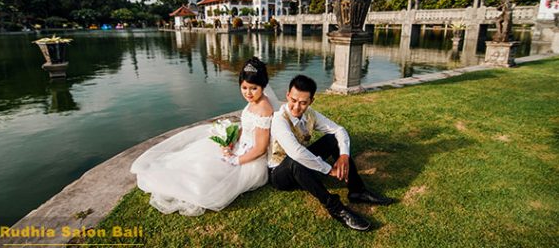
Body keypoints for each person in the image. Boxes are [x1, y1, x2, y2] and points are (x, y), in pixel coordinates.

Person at [131, 57, 274, 216]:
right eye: (244, 87)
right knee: (198, 158)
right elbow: (245, 128)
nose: (248, 93)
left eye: (254, 88)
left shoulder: (264, 109)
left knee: (206, 182)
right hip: (240, 147)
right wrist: (230, 142)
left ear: (263, 86)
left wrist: (236, 159)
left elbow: (261, 148)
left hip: (251, 159)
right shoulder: (253, 101)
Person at [269, 75, 393, 231]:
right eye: (293, 100)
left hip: (302, 163)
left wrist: (344, 156)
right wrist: (328, 169)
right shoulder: (279, 119)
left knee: (332, 138)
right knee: (296, 160)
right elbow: (296, 153)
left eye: (303, 103)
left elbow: (339, 130)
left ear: (311, 101)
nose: (296, 107)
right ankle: (336, 209)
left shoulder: (310, 114)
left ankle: (357, 191)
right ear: (287, 95)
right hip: (280, 173)